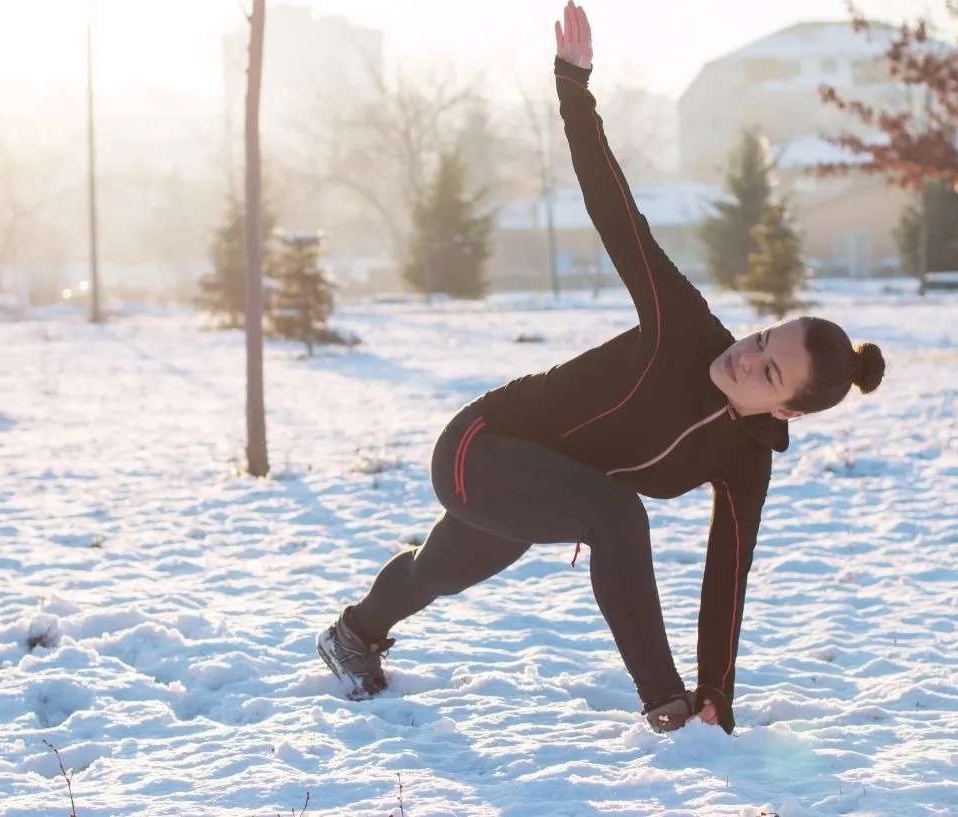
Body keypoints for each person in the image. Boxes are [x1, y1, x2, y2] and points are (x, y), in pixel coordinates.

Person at [316, 1, 886, 735]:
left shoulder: (747, 461)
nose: (747, 357)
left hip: (544, 493)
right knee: (616, 514)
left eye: (769, 372)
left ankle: (351, 635)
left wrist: (721, 686)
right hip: (478, 447)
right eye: (763, 338)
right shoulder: (683, 326)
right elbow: (617, 212)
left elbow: (726, 579)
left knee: (438, 569)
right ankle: (664, 706)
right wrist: (574, 87)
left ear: (788, 413)